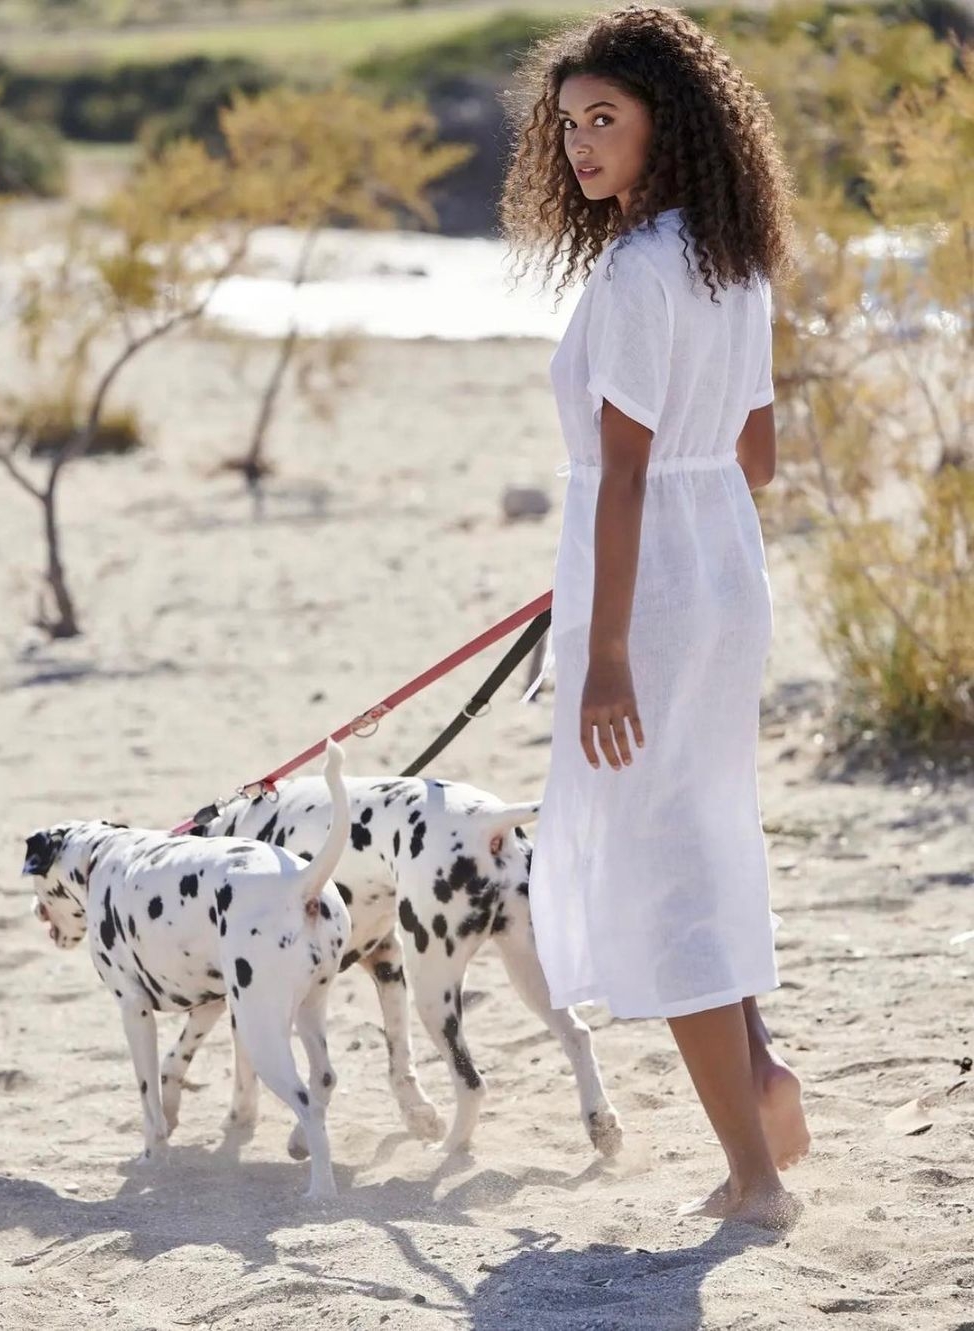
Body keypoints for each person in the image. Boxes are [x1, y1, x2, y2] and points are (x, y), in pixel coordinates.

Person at [499, 6, 810, 1229]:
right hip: (722, 570)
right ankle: (764, 1078)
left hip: (657, 597)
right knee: (703, 831)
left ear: (664, 125)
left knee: (666, 864)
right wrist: (659, 531)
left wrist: (610, 646)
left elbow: (623, 473)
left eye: (605, 118)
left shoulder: (637, 270)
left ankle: (755, 1176)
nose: (581, 143)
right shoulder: (733, 258)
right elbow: (758, 458)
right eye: (569, 123)